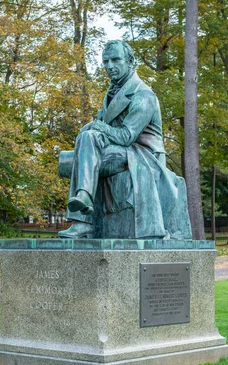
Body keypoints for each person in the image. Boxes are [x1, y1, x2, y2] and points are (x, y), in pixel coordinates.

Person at [59, 40, 192, 240]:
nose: (110, 66)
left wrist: (98, 126)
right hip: (121, 153)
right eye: (105, 61)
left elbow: (126, 136)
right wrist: (92, 128)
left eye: (115, 60)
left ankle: (82, 219)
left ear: (130, 61)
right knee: (74, 151)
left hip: (142, 155)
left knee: (82, 150)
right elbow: (105, 130)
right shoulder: (114, 90)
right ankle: (83, 206)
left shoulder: (143, 94)